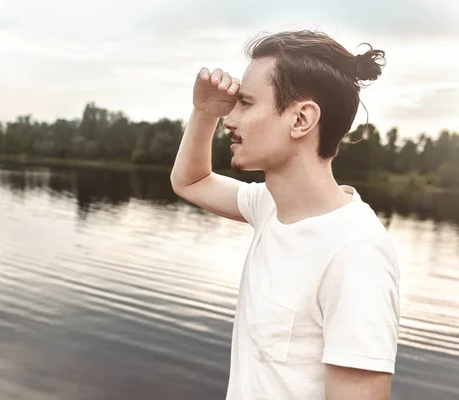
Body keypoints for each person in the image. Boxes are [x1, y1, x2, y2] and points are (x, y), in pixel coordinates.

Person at [170, 30, 400, 400]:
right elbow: (191, 181)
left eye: (245, 103)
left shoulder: (355, 253)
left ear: (300, 120)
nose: (230, 119)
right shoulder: (269, 207)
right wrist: (203, 112)